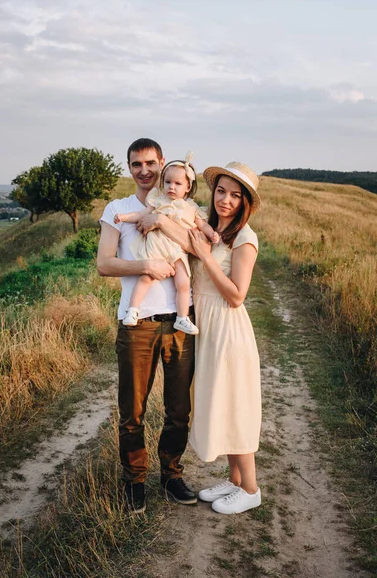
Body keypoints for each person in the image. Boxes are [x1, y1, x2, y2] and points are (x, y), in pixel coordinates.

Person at [137, 161, 262, 515]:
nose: (225, 200)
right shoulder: (212, 228)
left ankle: (251, 488)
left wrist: (206, 257)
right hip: (204, 325)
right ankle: (235, 480)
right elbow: (183, 240)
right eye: (221, 191)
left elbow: (237, 294)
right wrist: (161, 220)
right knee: (218, 401)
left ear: (245, 202)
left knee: (235, 405)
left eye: (235, 196)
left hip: (227, 327)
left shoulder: (244, 238)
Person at [97, 138, 197, 514]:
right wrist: (145, 267)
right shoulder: (117, 209)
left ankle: (171, 475)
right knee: (132, 411)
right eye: (136, 164)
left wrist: (163, 221)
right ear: (128, 167)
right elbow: (105, 263)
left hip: (179, 323)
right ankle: (134, 482)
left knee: (178, 409)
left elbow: (195, 244)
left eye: (150, 163)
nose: (145, 170)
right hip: (136, 324)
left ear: (161, 164)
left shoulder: (178, 205)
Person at [114, 151, 219, 335]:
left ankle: (182, 318)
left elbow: (201, 224)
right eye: (168, 182)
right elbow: (141, 215)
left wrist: (212, 234)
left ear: (187, 187)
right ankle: (132, 310)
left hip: (177, 251)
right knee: (146, 278)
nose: (171, 187)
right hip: (157, 248)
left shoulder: (191, 207)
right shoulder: (157, 201)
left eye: (178, 184)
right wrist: (124, 217)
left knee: (183, 282)